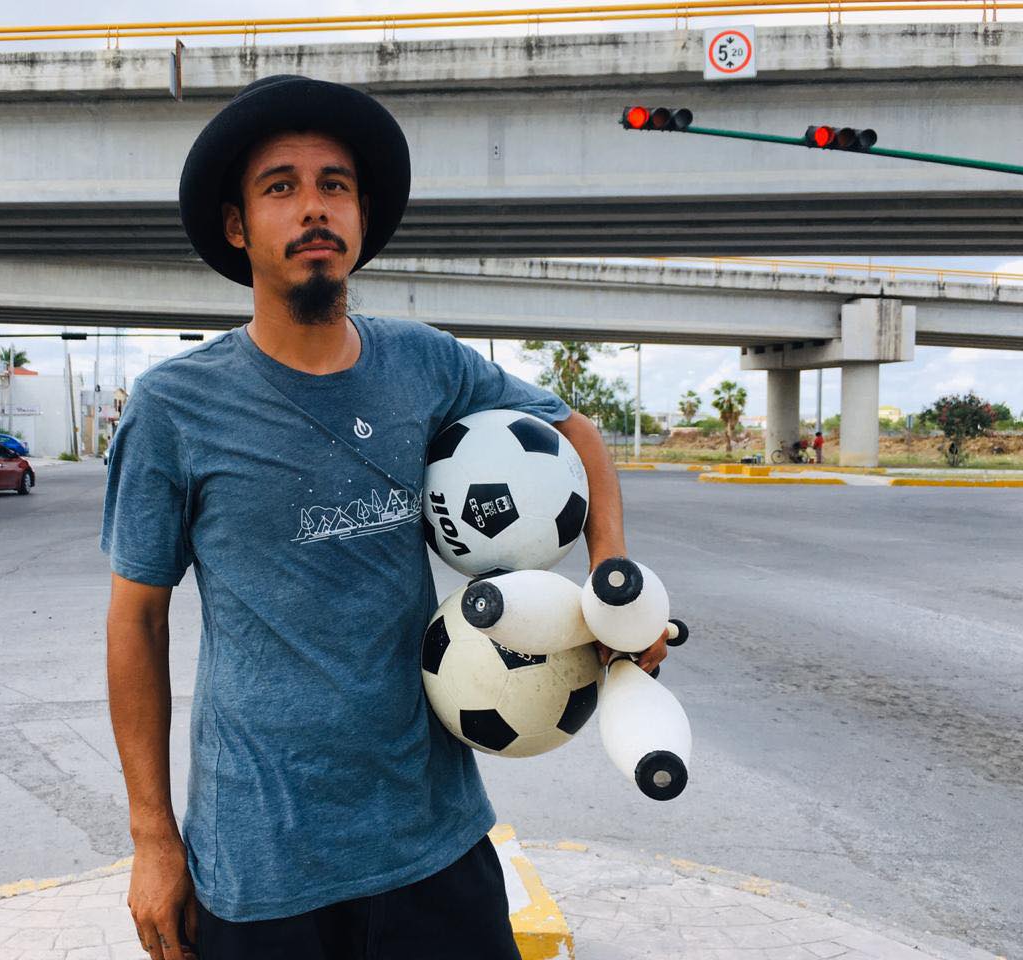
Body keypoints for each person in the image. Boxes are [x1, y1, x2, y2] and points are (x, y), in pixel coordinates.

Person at [101, 75, 667, 960]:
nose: (313, 207)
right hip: (263, 859)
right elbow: (136, 622)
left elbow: (576, 432)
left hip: (433, 839)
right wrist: (152, 839)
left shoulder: (424, 363)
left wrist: (610, 582)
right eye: (280, 187)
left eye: (335, 185)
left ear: (361, 217)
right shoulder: (175, 406)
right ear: (237, 226)